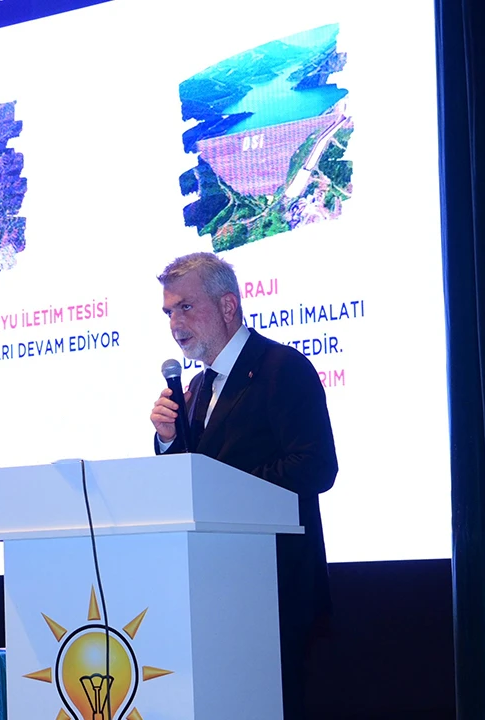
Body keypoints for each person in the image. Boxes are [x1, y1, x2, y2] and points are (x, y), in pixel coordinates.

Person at [150, 252, 337, 720]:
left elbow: (316, 466)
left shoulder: (281, 367)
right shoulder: (196, 389)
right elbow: (190, 484)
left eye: (185, 307)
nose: (175, 324)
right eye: (169, 312)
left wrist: (227, 491)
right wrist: (168, 440)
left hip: (275, 592)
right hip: (212, 596)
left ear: (228, 306)